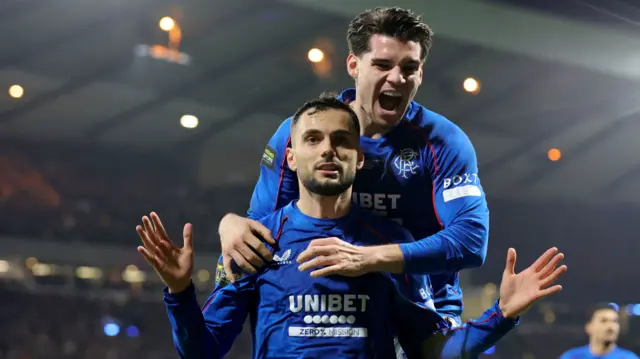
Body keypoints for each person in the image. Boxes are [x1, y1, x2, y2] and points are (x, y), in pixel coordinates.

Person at [136, 94, 567, 359]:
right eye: (313, 139)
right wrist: (178, 293)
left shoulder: (393, 245)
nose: (328, 150)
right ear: (290, 158)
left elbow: (432, 352)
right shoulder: (256, 242)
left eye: (342, 141)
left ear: (359, 158)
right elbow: (202, 351)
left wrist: (501, 316)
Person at [218, 6, 488, 327]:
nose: (397, 78)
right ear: (353, 65)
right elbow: (264, 231)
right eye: (382, 65)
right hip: (328, 304)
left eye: (409, 67)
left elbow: (471, 240)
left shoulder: (444, 141)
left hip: (424, 310)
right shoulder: (299, 134)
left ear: (421, 73)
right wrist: (230, 224)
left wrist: (370, 258)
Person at [559, 303, 638, 359]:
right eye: (603, 321)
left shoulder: (629, 358)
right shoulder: (571, 357)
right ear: (588, 327)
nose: (611, 327)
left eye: (615, 321)